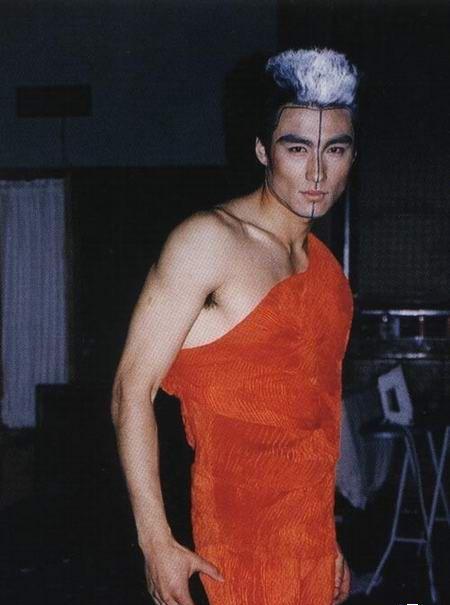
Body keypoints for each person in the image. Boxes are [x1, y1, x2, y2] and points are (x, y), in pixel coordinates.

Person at [111, 47, 359, 605]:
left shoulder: (327, 271)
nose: (317, 172)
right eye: (297, 147)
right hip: (230, 555)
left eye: (335, 149)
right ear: (262, 150)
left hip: (309, 549)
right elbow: (131, 391)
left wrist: (326, 540)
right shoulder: (209, 241)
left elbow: (313, 423)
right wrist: (156, 542)